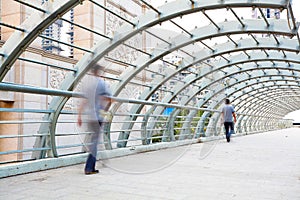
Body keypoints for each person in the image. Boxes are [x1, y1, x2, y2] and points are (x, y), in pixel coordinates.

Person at [77, 64, 113, 175]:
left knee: (94, 140)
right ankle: (89, 167)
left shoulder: (89, 85)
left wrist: (79, 116)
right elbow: (110, 99)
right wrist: (105, 110)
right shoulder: (102, 84)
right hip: (98, 116)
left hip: (90, 117)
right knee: (95, 141)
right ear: (99, 72)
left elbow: (84, 101)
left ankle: (92, 165)